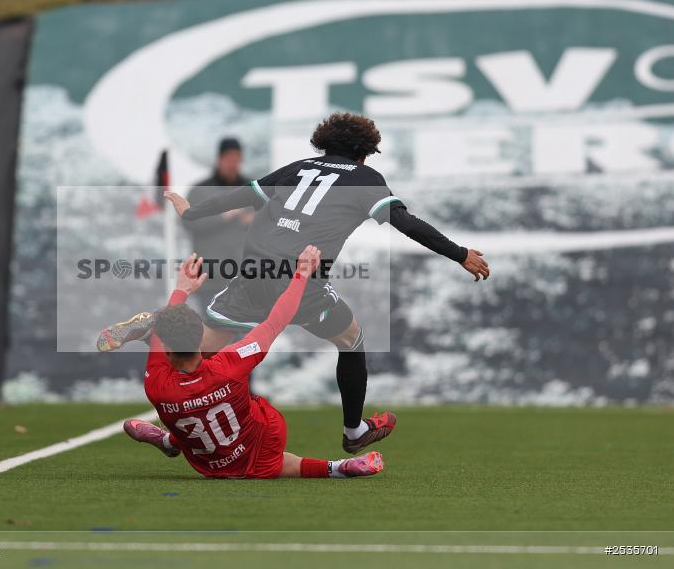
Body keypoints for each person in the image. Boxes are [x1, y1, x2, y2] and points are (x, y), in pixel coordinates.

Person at [99, 112, 489, 454]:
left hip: (252, 269)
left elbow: (242, 196)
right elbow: (406, 223)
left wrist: (192, 213)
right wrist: (459, 253)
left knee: (206, 342)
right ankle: (354, 431)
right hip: (298, 274)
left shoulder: (298, 167)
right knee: (351, 338)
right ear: (363, 152)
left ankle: (156, 329)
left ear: (324, 143)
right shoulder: (366, 178)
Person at [124, 250, 384, 479]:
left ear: (167, 351)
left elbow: (163, 342)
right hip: (260, 447)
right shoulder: (231, 363)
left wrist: (180, 290)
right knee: (267, 451)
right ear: (199, 338)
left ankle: (170, 441)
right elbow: (276, 321)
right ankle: (337, 467)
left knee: (187, 415)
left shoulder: (155, 384)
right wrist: (301, 274)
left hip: (208, 464)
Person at [183, 137, 253, 310]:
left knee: (244, 327)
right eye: (229, 159)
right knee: (210, 324)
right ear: (219, 159)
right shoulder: (200, 191)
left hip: (244, 279)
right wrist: (224, 216)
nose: (233, 165)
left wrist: (254, 219)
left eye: (237, 160)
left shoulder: (252, 188)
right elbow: (190, 222)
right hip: (210, 278)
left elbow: (270, 219)